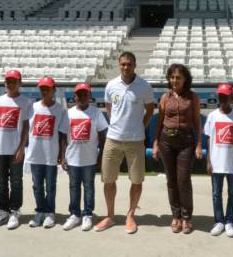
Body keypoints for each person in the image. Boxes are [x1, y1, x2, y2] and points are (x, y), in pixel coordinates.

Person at [95, 52, 155, 234]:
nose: (126, 67)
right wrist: (116, 123)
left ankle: (130, 216)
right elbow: (108, 106)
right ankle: (111, 216)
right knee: (108, 180)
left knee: (136, 181)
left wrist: (140, 127)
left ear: (135, 64)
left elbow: (150, 110)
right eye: (122, 64)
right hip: (112, 140)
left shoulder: (144, 86)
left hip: (135, 141)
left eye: (129, 64)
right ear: (119, 65)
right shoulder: (111, 85)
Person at [152, 63, 202, 234]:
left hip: (186, 141)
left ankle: (187, 218)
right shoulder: (165, 97)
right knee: (171, 181)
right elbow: (159, 122)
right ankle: (176, 216)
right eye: (172, 77)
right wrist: (156, 142)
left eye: (178, 77)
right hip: (166, 141)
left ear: (185, 79)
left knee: (184, 181)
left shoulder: (192, 97)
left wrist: (198, 144)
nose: (175, 80)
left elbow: (196, 121)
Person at [0, 70, 32, 230]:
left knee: (16, 182)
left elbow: (26, 126)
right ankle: (2, 211)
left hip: (15, 149)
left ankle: (14, 211)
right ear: (5, 83)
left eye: (14, 81)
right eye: (8, 81)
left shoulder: (25, 101)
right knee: (0, 183)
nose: (11, 84)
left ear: (20, 83)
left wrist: (21, 148)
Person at [61, 82, 108, 231]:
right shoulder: (68, 113)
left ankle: (87, 214)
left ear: (90, 96)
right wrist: (63, 157)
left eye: (85, 94)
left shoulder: (96, 113)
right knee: (74, 187)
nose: (82, 97)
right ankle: (75, 214)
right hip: (73, 158)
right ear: (74, 96)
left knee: (89, 187)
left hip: (90, 159)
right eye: (79, 94)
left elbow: (102, 137)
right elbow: (62, 137)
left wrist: (100, 158)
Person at [203, 83, 233, 238]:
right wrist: (208, 161)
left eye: (226, 97)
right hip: (216, 162)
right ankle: (219, 221)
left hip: (232, 162)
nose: (223, 99)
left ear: (231, 98)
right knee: (216, 193)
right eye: (220, 96)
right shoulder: (212, 116)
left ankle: (229, 221)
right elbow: (208, 140)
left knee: (232, 193)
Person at [25, 77, 68, 229]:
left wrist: (62, 156)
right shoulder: (32, 107)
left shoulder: (60, 110)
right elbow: (26, 129)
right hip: (35, 154)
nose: (44, 91)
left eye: (47, 88)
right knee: (37, 186)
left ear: (54, 90)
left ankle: (50, 213)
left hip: (51, 154)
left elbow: (63, 135)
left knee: (50, 186)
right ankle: (40, 212)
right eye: (42, 88)